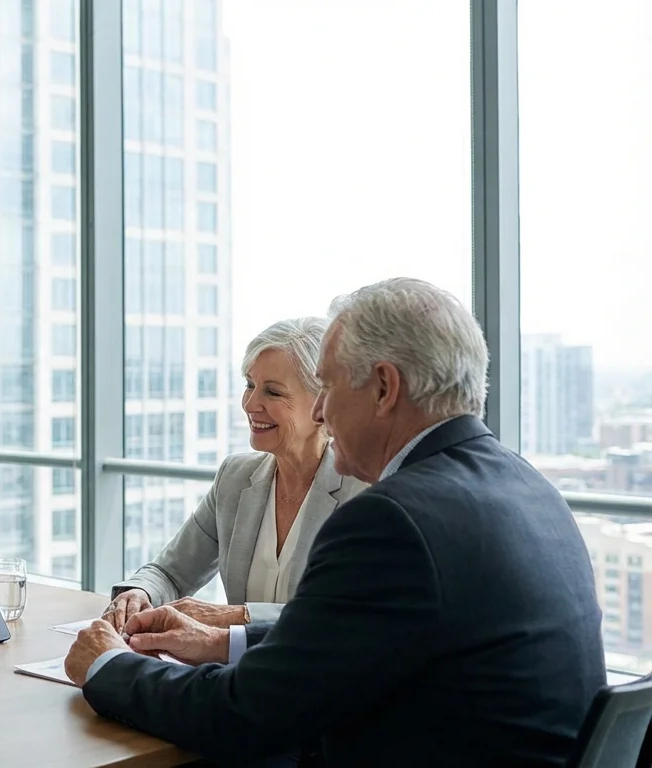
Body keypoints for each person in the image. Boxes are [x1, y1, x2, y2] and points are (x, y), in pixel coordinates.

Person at [65, 277, 604, 766]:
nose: (321, 412)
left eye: (327, 386)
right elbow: (366, 641)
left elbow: (243, 716)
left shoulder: (391, 518)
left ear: (385, 388)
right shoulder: (527, 486)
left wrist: (109, 666)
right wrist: (221, 642)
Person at [104, 318, 367, 659]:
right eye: (249, 385)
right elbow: (169, 572)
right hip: (241, 679)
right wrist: (140, 593)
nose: (250, 403)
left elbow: (339, 618)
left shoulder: (364, 494)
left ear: (321, 405)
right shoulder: (235, 477)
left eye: (272, 392)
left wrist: (234, 616)